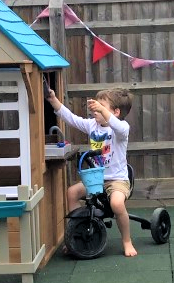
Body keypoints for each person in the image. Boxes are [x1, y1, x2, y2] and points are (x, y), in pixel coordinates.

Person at [47, 87, 137, 257]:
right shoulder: (92, 125)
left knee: (117, 204)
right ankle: (75, 234)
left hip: (117, 180)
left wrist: (102, 109)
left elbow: (118, 126)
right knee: (72, 192)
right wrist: (53, 100)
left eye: (101, 106)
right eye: (96, 105)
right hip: (96, 179)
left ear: (116, 112)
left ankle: (126, 240)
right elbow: (71, 118)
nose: (95, 109)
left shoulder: (121, 129)